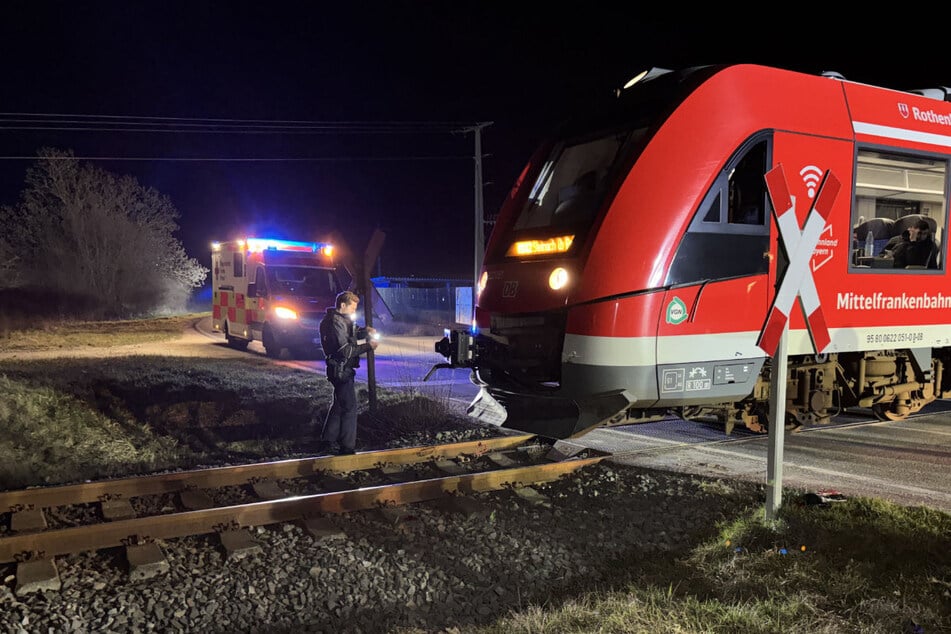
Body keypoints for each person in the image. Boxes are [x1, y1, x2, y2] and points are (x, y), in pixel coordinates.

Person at [316, 290, 378, 454]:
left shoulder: (338, 320)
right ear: (343, 305)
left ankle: (327, 440)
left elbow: (350, 334)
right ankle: (347, 446)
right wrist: (368, 346)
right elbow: (345, 350)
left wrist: (365, 331)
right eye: (352, 308)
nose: (353, 311)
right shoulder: (335, 323)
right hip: (341, 369)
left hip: (340, 369)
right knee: (350, 407)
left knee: (339, 405)